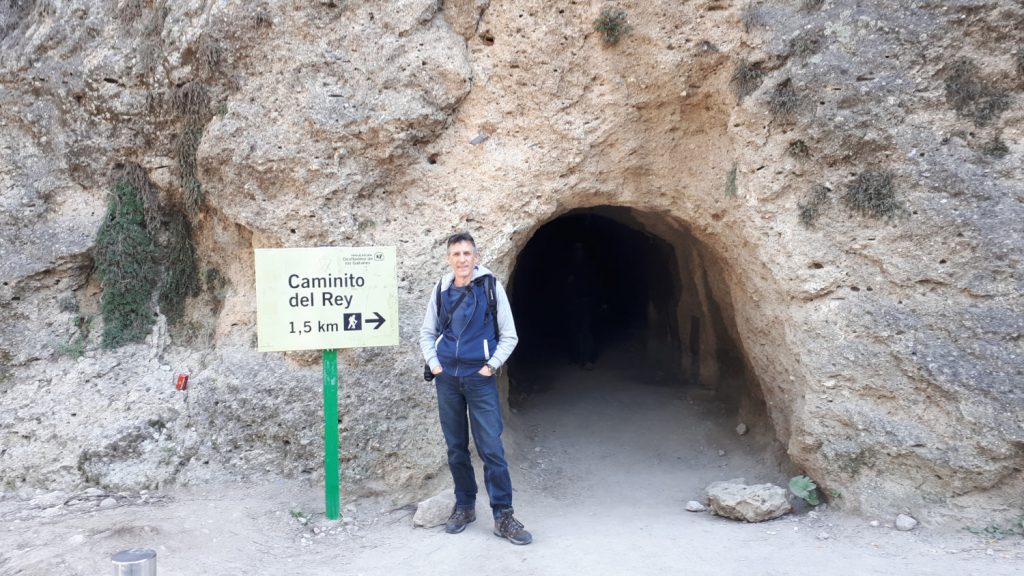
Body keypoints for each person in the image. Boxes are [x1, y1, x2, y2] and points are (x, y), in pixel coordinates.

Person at [419, 232, 532, 545]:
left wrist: (491, 366)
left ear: (476, 256)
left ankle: (503, 515)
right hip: (447, 380)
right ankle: (465, 506)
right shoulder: (441, 289)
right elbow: (427, 333)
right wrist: (435, 363)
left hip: (480, 379)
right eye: (456, 254)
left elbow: (509, 335)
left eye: (467, 253)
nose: (462, 259)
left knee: (491, 448)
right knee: (456, 448)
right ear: (448, 259)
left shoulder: (490, 287)